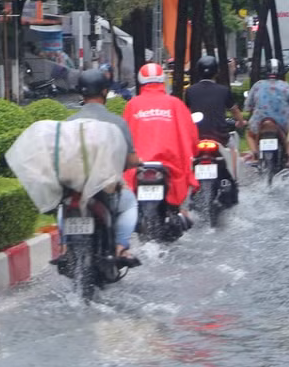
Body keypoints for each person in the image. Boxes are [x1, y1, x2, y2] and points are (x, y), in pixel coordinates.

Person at [64, 69, 142, 266]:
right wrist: (130, 163)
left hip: (76, 188)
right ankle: (120, 247)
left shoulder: (68, 123)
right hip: (106, 188)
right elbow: (131, 160)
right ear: (105, 91)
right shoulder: (117, 122)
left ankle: (64, 248)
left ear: (81, 93)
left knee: (65, 206)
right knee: (130, 204)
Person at [123, 63, 200, 227]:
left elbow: (123, 138)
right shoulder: (175, 104)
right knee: (183, 213)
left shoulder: (132, 105)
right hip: (170, 167)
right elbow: (190, 135)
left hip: (138, 167)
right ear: (162, 80)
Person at [184, 55, 244, 206]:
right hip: (220, 137)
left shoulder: (190, 91)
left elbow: (187, 113)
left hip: (196, 138)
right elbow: (235, 110)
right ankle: (234, 179)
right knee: (233, 150)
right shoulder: (223, 90)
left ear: (198, 71)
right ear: (216, 72)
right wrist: (241, 122)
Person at [243, 58, 289, 165]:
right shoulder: (285, 86)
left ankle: (255, 154)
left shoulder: (258, 85)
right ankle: (288, 157)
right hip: (282, 122)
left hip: (260, 121)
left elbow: (248, 106)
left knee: (249, 135)